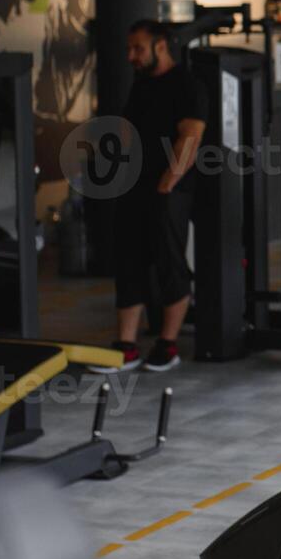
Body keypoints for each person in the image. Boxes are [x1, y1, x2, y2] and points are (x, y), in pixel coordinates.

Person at [100, 20, 208, 373]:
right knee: (128, 263)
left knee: (169, 263)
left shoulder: (185, 84)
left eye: (138, 49)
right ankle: (127, 346)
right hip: (135, 188)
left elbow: (190, 136)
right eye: (130, 49)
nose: (131, 56)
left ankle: (167, 344)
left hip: (169, 191)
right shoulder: (141, 85)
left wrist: (167, 184)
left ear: (160, 47)